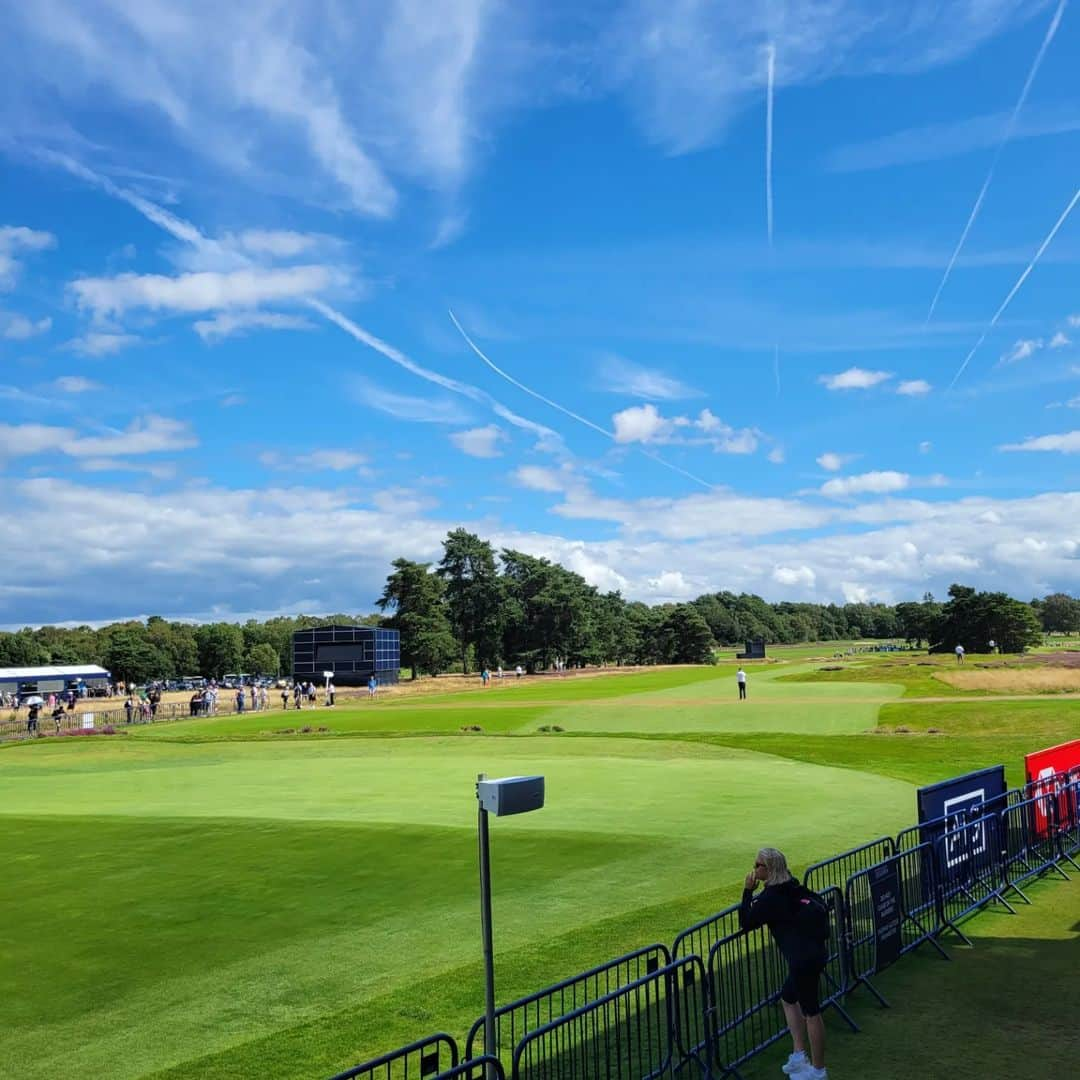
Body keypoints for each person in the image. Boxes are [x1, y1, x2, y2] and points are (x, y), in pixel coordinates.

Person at [739, 848, 829, 1080]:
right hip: (814, 953)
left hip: (802, 960)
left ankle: (818, 1071)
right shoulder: (791, 885)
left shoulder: (771, 897)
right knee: (789, 998)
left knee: (811, 1011)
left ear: (768, 869)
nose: (754, 867)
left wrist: (747, 892)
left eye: (758, 865)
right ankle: (799, 1054)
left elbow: (747, 922)